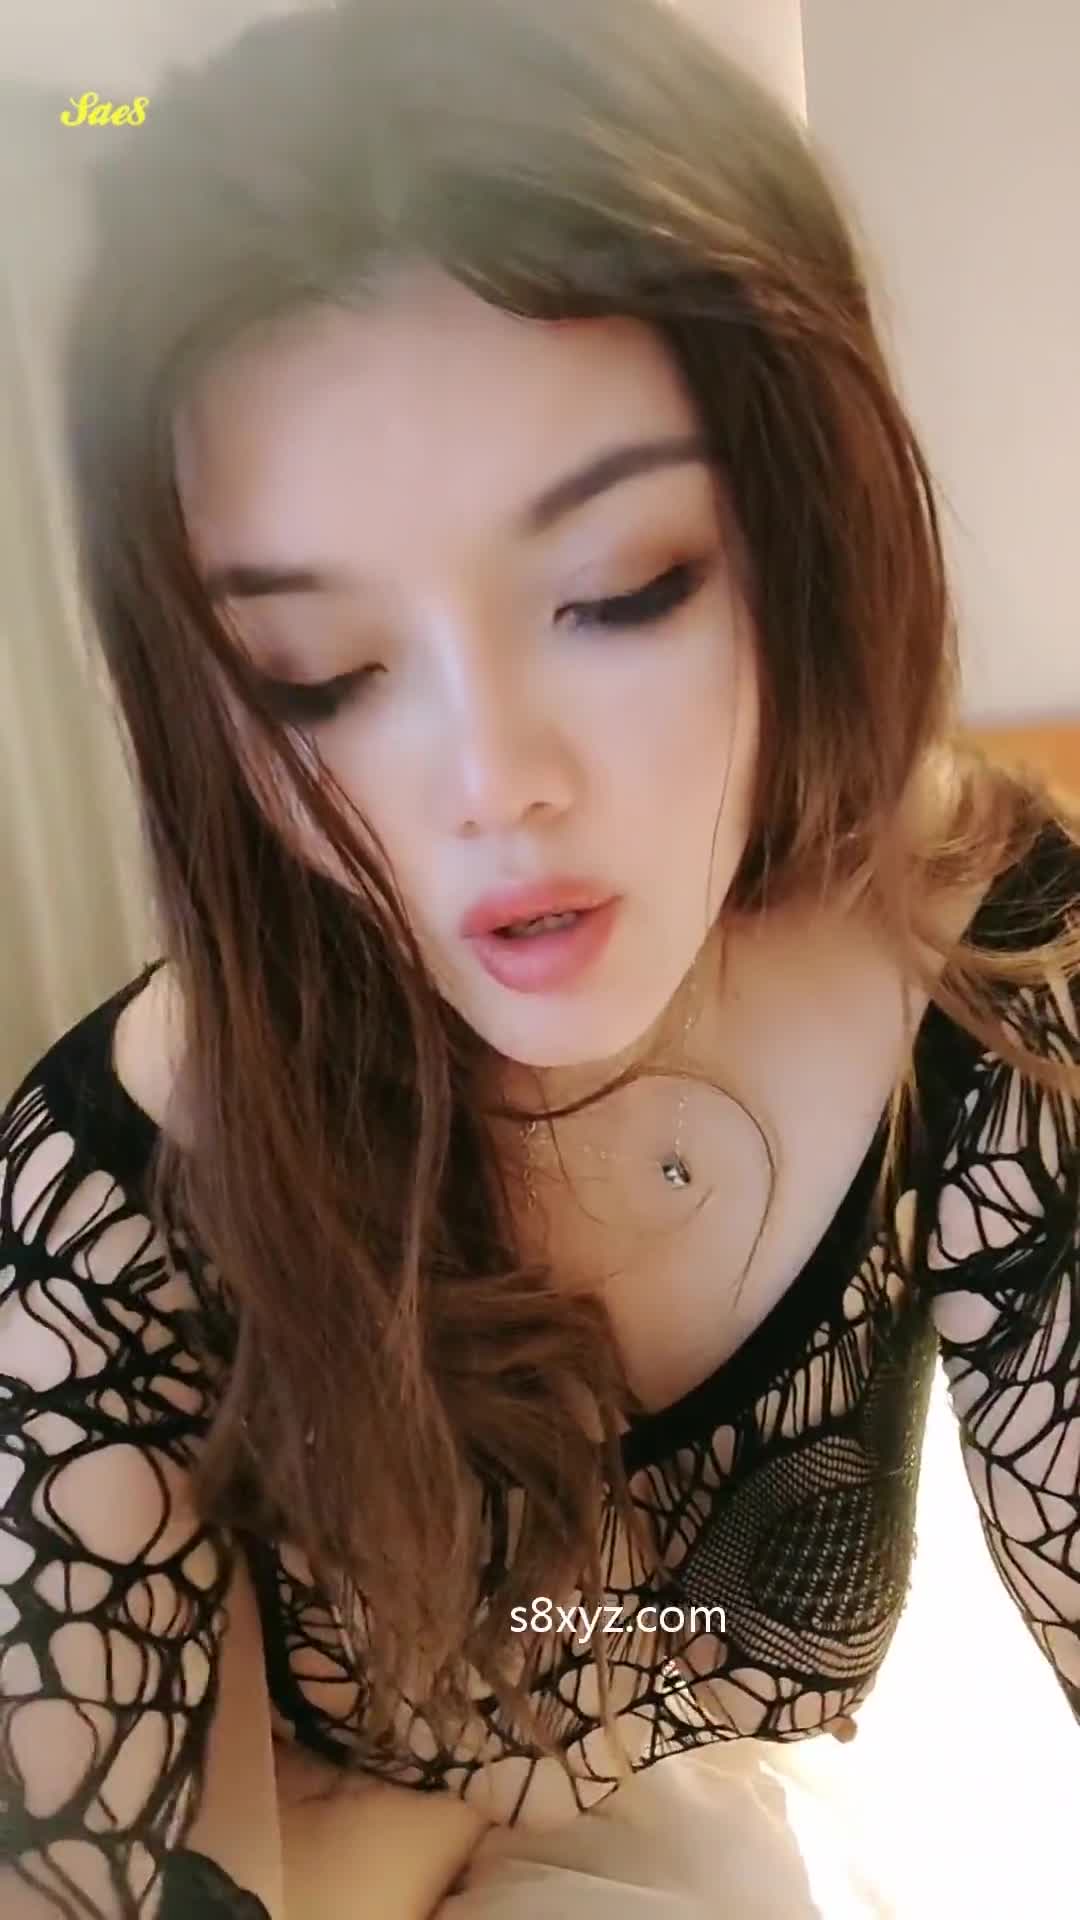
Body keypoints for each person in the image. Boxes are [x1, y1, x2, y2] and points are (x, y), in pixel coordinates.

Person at [2, 0, 1078, 1914]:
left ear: (801, 528)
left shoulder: (984, 968)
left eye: (621, 589)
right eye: (317, 673)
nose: (493, 782)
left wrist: (420, 1829)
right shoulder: (112, 1203)